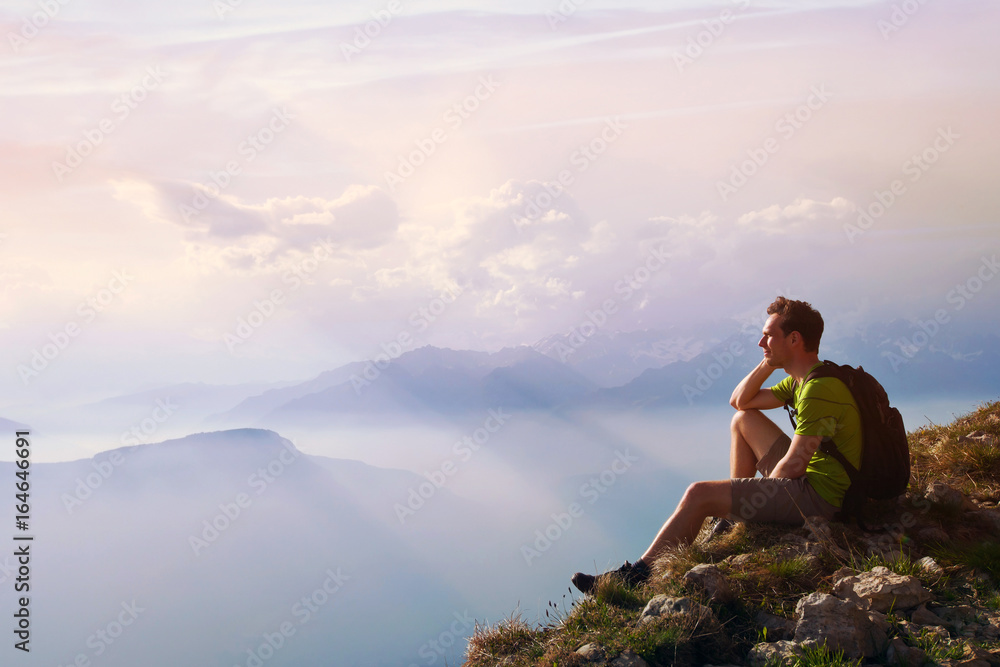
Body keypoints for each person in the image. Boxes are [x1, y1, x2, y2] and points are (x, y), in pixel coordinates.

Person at [571, 297, 862, 594]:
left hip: (824, 498)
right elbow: (740, 401)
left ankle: (636, 577)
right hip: (812, 478)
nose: (761, 341)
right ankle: (728, 518)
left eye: (769, 335)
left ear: (795, 339)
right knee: (743, 420)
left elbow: (796, 464)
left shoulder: (819, 389)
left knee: (698, 493)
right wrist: (770, 360)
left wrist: (760, 501)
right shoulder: (802, 381)